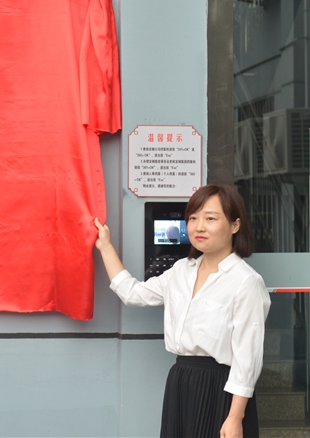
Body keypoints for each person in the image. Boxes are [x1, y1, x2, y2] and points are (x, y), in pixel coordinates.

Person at [94, 184, 270, 438]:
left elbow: (247, 358)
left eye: (211, 219)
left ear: (235, 225)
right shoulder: (181, 270)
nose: (199, 227)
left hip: (221, 389)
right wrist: (105, 246)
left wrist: (235, 417)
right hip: (180, 380)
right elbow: (133, 294)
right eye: (193, 218)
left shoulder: (246, 281)